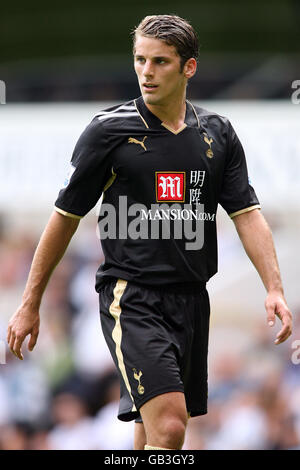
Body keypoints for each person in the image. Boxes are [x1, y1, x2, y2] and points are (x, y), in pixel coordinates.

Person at [7, 14, 292, 451]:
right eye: (140, 60)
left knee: (153, 434)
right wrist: (30, 303)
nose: (146, 72)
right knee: (172, 427)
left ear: (188, 67)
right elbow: (63, 217)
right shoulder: (108, 132)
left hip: (193, 300)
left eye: (159, 61)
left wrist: (273, 287)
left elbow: (247, 214)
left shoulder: (217, 133)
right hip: (132, 298)